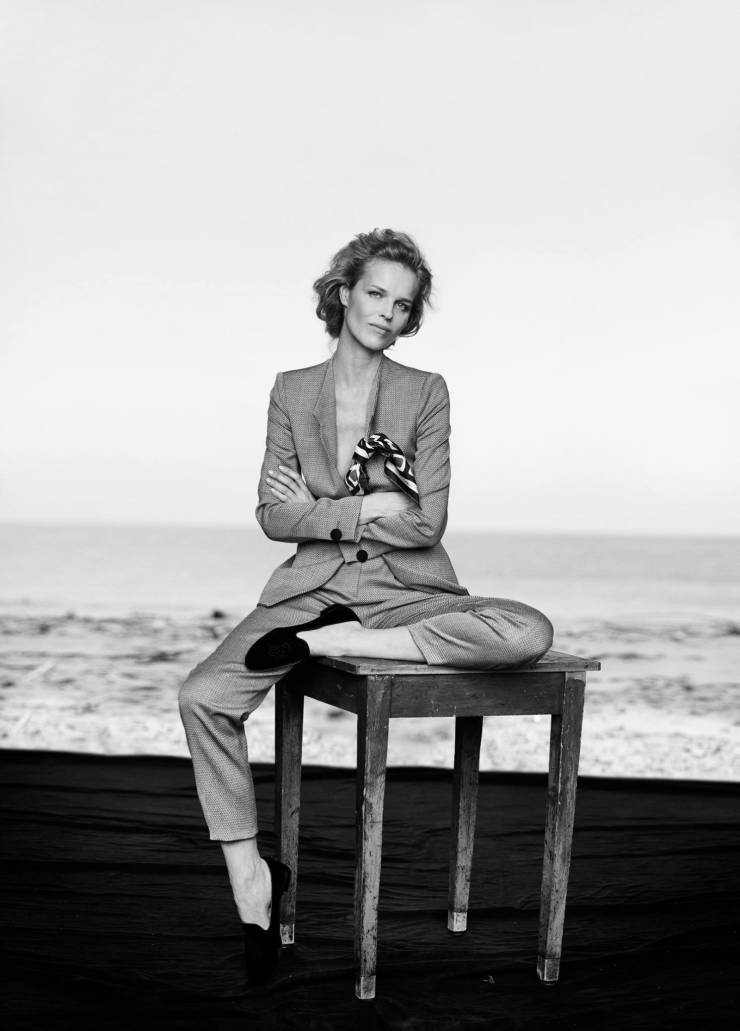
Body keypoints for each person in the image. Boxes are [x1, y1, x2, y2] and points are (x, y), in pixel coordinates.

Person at [178, 228, 554, 987]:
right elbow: (272, 514)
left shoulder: (426, 391)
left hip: (403, 590)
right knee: (202, 696)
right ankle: (253, 880)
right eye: (376, 293)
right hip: (309, 588)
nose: (387, 311)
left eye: (403, 304)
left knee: (528, 629)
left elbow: (426, 524)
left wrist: (319, 506)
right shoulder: (291, 390)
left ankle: (328, 641)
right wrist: (361, 507)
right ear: (344, 292)